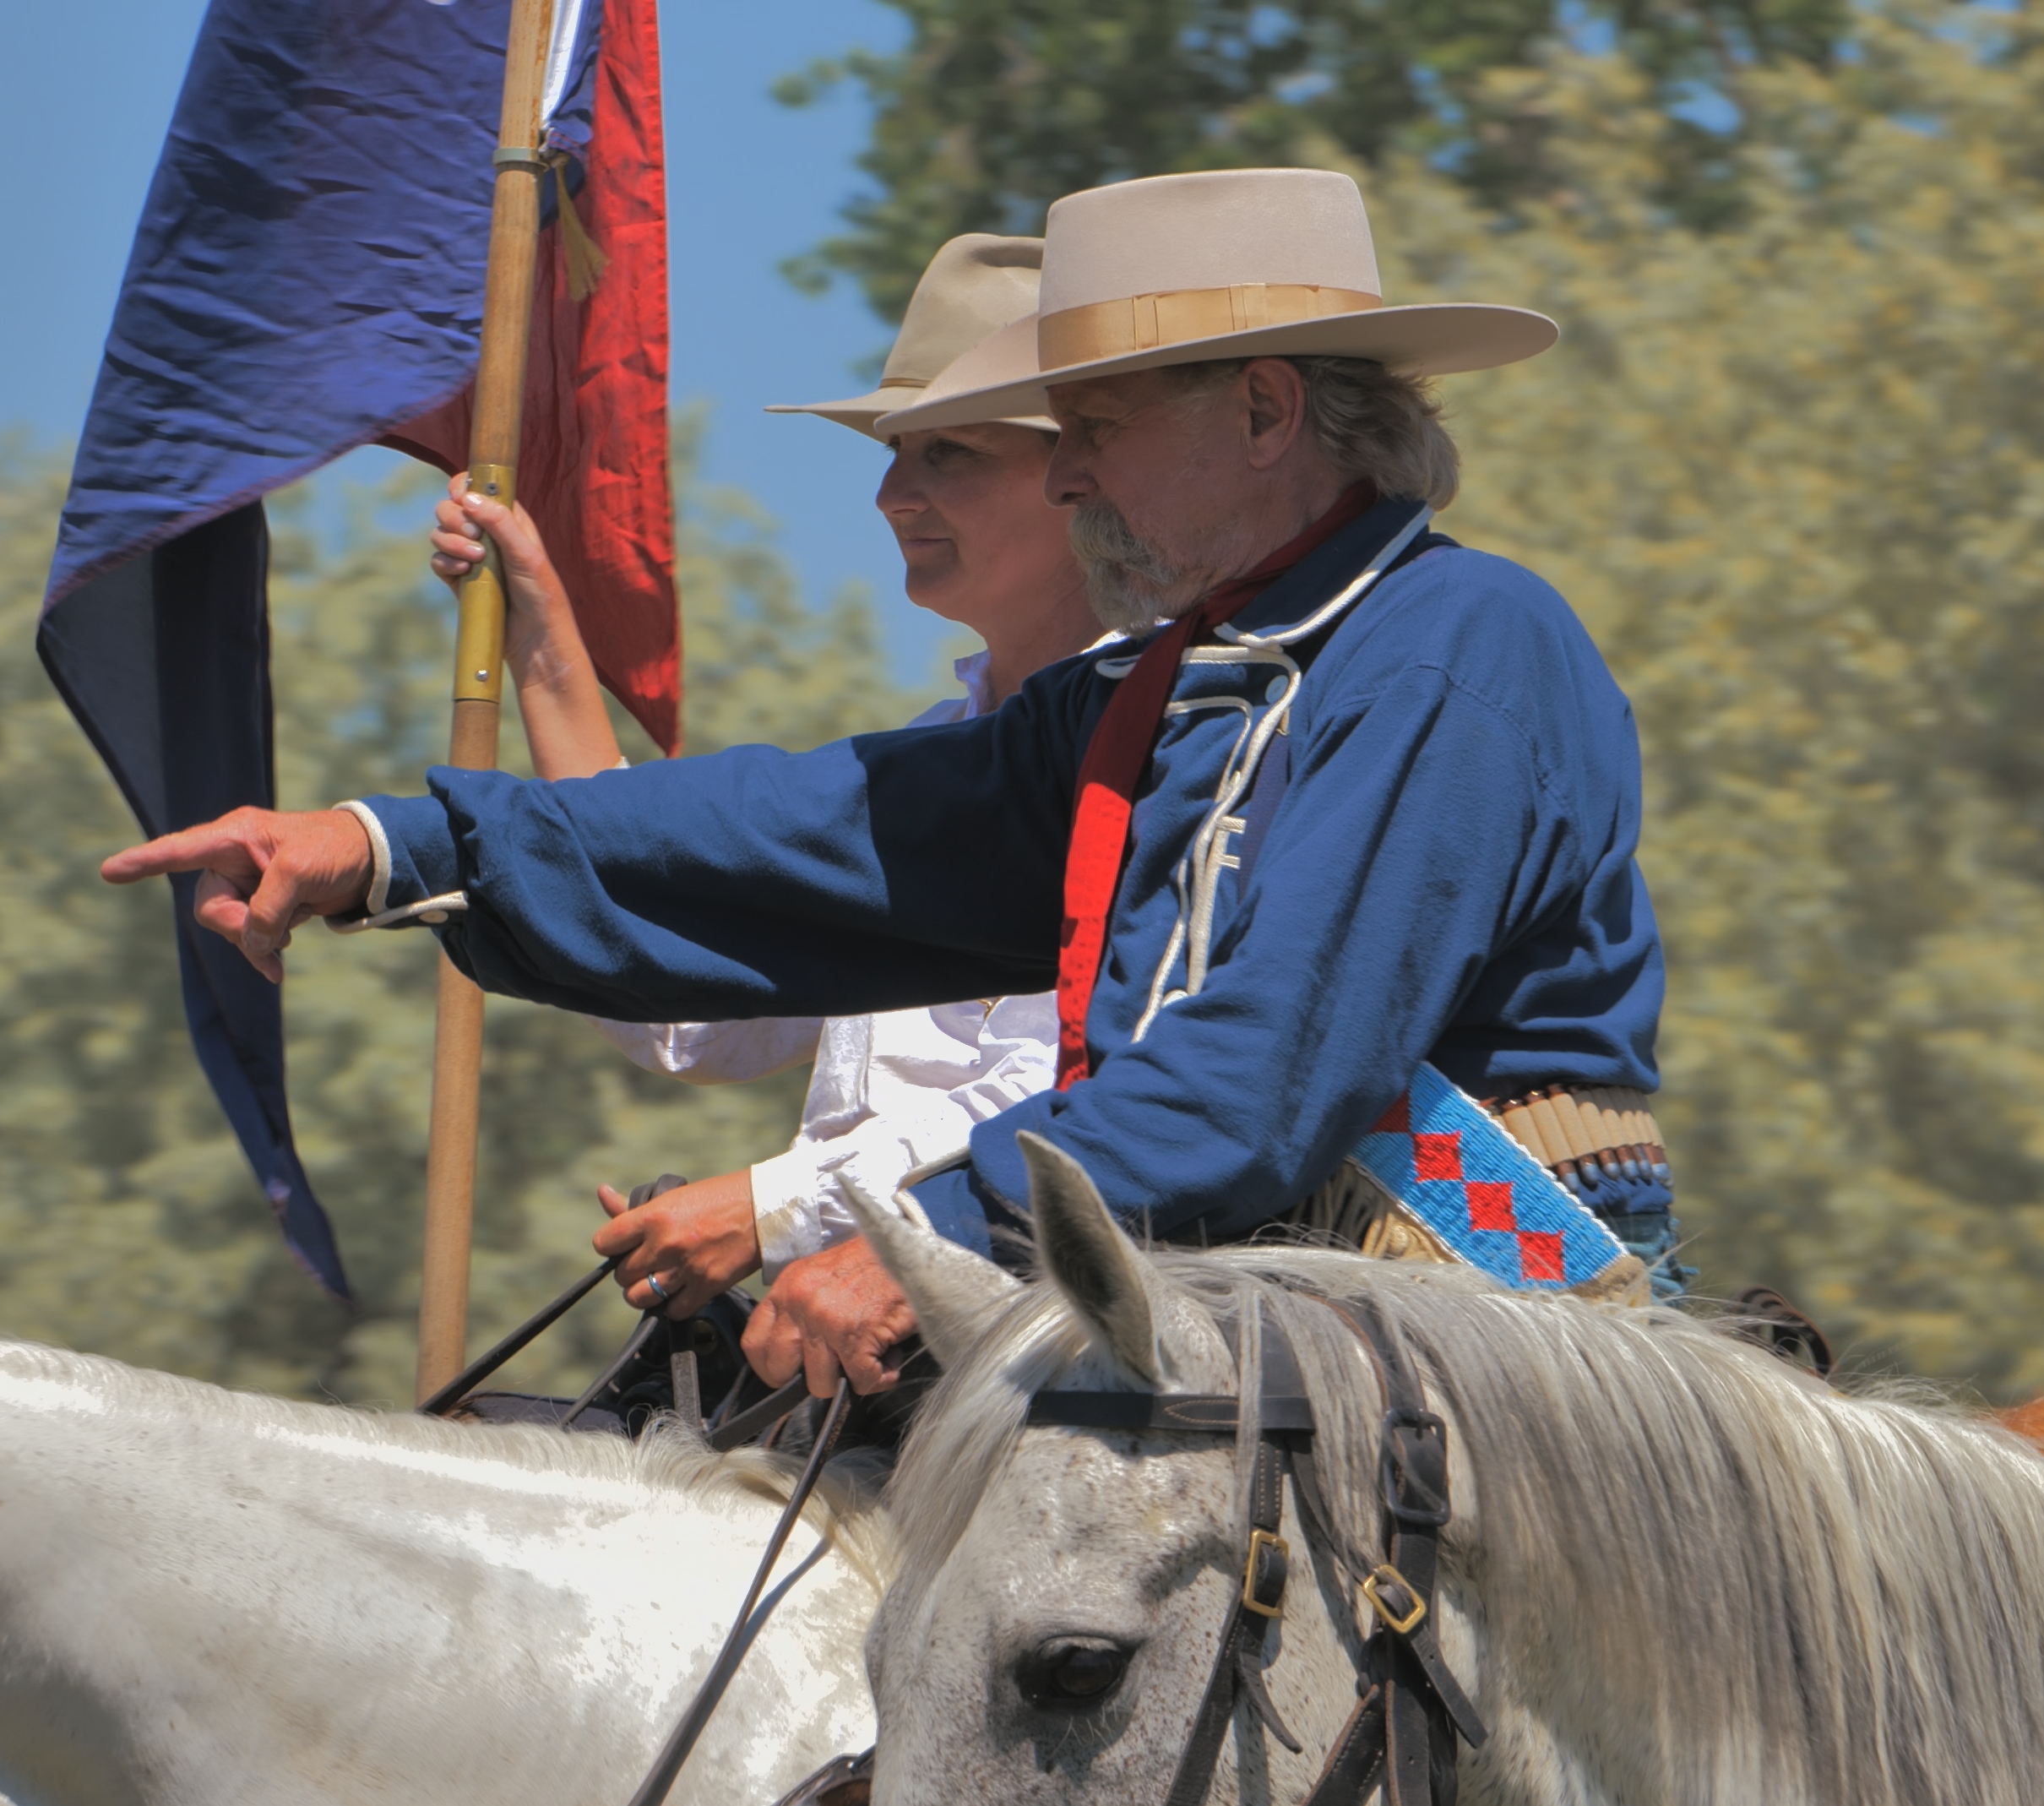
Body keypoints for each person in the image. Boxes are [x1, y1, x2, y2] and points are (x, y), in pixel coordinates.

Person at [102, 167, 1677, 1400]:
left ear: (1267, 411)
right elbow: (802, 835)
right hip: (1241, 1319)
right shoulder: (1152, 695)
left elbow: (1264, 1077)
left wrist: (912, 1240)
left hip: (1483, 1347)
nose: (1069, 474)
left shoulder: (1454, 648)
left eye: (1101, 427)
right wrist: (387, 844)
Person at [419, 235, 1090, 1401]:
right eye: (894, 454)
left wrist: (765, 1209)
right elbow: (691, 1009)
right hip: (879, 1361)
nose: (892, 496)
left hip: (1066, 1376)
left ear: (1085, 477)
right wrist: (543, 632)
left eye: (950, 453)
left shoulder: (1180, 753)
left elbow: (1067, 1103)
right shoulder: (929, 760)